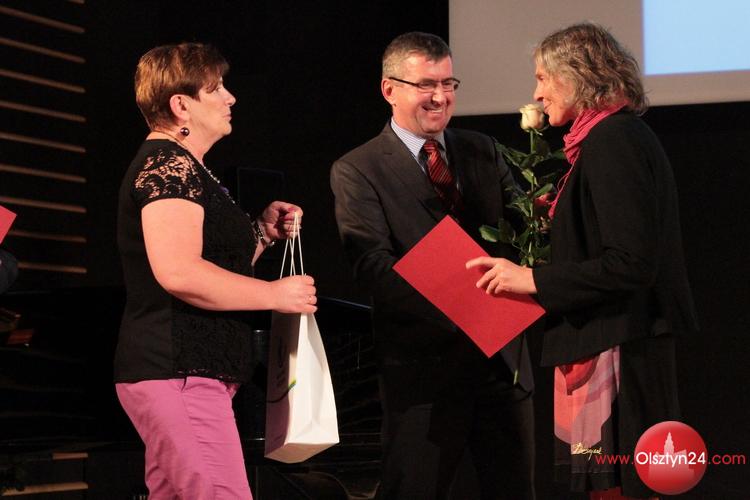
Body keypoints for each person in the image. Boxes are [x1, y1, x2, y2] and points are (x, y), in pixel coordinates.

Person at [467, 23, 699, 499]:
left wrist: (532, 279)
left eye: (543, 78)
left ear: (577, 75)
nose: (537, 93)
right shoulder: (604, 139)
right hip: (610, 341)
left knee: (624, 491)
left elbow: (631, 263)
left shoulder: (614, 139)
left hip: (622, 347)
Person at [331, 32, 535, 499]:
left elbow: (525, 235)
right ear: (389, 89)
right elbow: (372, 265)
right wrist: (461, 305)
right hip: (422, 375)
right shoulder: (359, 168)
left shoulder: (483, 150)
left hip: (502, 366)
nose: (440, 97)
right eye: (426, 84)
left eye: (448, 83)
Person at [114, 43, 317, 499]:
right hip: (179, 371)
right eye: (215, 88)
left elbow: (211, 263)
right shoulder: (168, 165)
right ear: (181, 104)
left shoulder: (188, 167)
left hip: (189, 371)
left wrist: (261, 234)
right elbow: (180, 273)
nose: (231, 97)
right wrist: (276, 294)